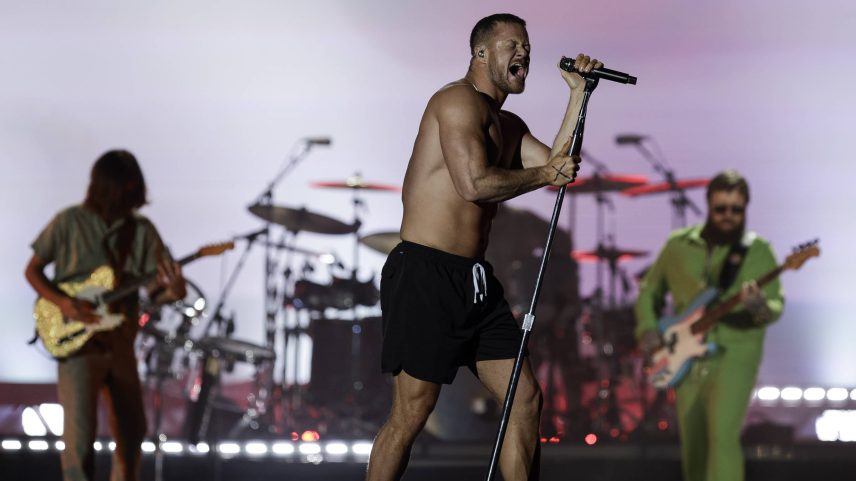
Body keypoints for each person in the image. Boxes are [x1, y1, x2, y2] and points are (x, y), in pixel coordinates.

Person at [366, 13, 602, 481]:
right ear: (480, 53)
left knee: (525, 397)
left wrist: (577, 95)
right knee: (412, 413)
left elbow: (556, 165)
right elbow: (474, 184)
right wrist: (545, 175)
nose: (525, 53)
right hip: (425, 273)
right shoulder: (455, 102)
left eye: (527, 47)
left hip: (475, 281)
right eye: (512, 44)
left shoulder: (508, 124)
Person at [24, 149, 186, 481]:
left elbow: (157, 292)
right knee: (79, 442)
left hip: (120, 339)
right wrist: (64, 303)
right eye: (123, 186)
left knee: (131, 432)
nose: (130, 193)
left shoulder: (141, 231)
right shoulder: (69, 221)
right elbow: (33, 270)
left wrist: (175, 291)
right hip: (78, 344)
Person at [634, 170, 784, 481]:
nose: (729, 216)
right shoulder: (678, 245)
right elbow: (650, 289)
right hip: (685, 354)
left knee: (722, 435)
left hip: (735, 351)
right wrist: (648, 329)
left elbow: (774, 306)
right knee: (695, 443)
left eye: (736, 209)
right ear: (709, 206)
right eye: (721, 209)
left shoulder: (757, 250)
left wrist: (760, 308)